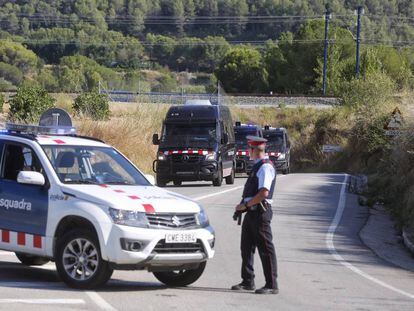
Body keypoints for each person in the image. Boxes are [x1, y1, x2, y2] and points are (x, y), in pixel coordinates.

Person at [231, 135, 278, 295]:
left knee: (265, 249)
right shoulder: (258, 166)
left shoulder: (265, 167)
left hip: (260, 212)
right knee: (246, 248)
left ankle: (271, 284)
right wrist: (243, 208)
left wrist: (244, 205)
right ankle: (247, 281)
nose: (247, 151)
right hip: (251, 213)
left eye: (249, 149)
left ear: (254, 150)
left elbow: (263, 193)